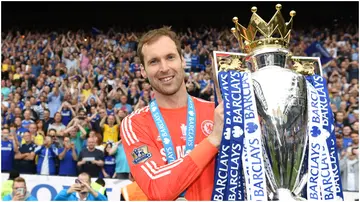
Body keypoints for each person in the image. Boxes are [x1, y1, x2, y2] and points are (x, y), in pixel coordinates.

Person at [120, 27, 224, 200]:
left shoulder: (217, 112)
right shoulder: (134, 124)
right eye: (154, 61)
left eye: (170, 57)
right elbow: (157, 188)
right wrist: (212, 141)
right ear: (143, 71)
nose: (164, 68)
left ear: (182, 61)